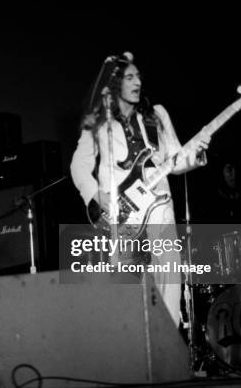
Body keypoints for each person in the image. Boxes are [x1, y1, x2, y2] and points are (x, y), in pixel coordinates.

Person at [70, 52, 211, 326]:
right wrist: (98, 196)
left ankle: (168, 346)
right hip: (124, 215)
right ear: (114, 84)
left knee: (169, 282)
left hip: (160, 209)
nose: (137, 82)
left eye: (139, 77)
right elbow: (79, 166)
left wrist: (196, 154)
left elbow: (176, 159)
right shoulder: (99, 121)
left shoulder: (156, 114)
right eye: (129, 77)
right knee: (127, 289)